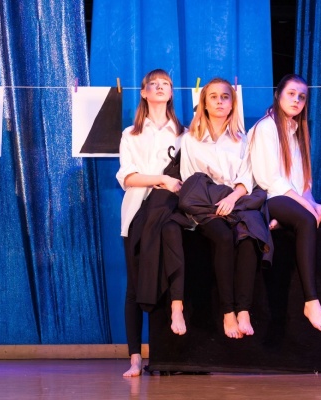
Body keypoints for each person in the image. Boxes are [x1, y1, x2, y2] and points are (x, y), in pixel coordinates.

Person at [249, 73, 321, 333]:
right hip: (271, 198)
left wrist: (313, 203)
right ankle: (311, 302)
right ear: (278, 95)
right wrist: (307, 208)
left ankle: (284, 222)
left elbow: (303, 182)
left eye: (302, 97)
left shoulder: (298, 131)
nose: (297, 100)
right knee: (307, 218)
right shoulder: (266, 128)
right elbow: (271, 180)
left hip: (293, 199)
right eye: (291, 94)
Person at [180, 77, 262, 339]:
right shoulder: (190, 139)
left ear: (232, 104)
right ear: (204, 103)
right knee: (225, 237)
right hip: (205, 206)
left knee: (249, 238)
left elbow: (246, 178)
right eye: (213, 97)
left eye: (225, 97)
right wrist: (213, 204)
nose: (219, 101)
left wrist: (232, 198)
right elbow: (190, 181)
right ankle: (228, 311)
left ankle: (244, 310)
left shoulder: (242, 140)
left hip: (234, 202)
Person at [116, 69, 186, 377]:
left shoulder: (184, 134)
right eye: (153, 84)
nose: (159, 88)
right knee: (135, 286)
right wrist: (161, 179)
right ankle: (134, 357)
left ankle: (168, 357)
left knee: (169, 280)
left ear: (171, 92)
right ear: (143, 92)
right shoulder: (130, 134)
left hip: (170, 215)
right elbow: (128, 177)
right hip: (136, 215)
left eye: (165, 84)